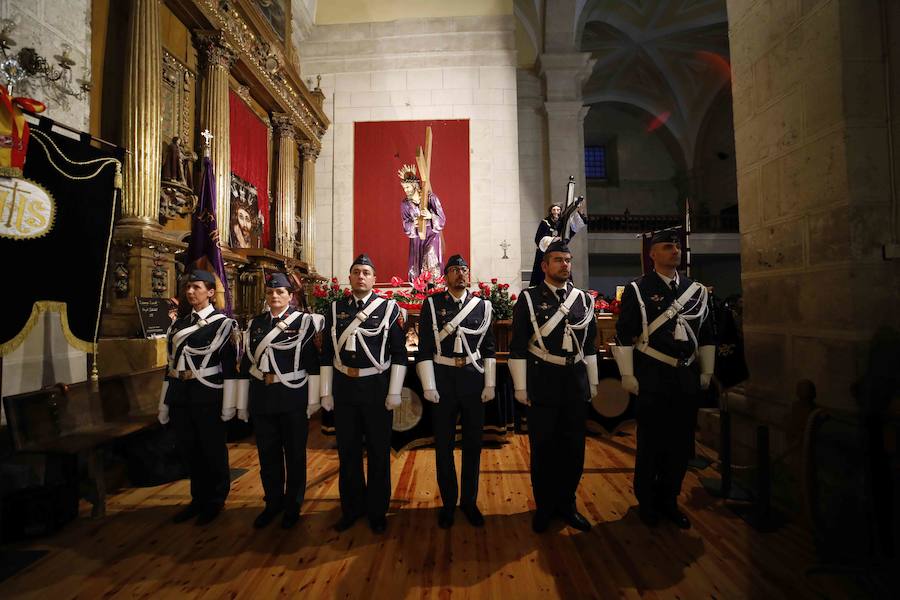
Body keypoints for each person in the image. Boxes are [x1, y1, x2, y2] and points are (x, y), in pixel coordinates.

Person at [613, 229, 715, 529]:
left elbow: (707, 333)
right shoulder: (638, 288)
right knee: (651, 442)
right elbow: (624, 333)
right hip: (653, 374)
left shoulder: (695, 291)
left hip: (685, 374)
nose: (675, 252)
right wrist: (628, 373)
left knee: (681, 444)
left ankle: (670, 499)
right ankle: (647, 501)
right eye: (668, 247)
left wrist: (707, 370)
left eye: (677, 247)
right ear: (653, 254)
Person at [509, 240, 599, 533]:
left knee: (574, 449)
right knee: (544, 449)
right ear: (545, 266)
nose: (565, 265)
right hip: (543, 381)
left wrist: (593, 383)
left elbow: (590, 347)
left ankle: (567, 504)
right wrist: (521, 388)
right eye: (558, 260)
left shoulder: (584, 300)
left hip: (574, 383)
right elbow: (518, 346)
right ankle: (545, 507)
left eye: (568, 260)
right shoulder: (529, 298)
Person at [319, 254, 407, 534]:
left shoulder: (389, 309)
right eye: (356, 271)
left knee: (379, 453)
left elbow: (399, 354)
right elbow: (326, 355)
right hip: (344, 389)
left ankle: (377, 510)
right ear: (350, 277)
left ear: (373, 278)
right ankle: (351, 509)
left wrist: (394, 392)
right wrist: (325, 392)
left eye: (366, 272)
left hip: (376, 389)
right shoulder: (333, 310)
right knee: (348, 453)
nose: (361, 276)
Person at [231, 272, 323, 530]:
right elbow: (248, 363)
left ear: (290, 296)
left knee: (294, 455)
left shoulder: (304, 323)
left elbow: (312, 364)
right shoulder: (256, 324)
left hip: (293, 395)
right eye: (271, 292)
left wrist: (313, 400)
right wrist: (241, 402)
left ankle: (293, 506)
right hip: (263, 396)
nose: (275, 296)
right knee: (267, 455)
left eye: (280, 292)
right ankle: (272, 503)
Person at [416, 254, 496, 529]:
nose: (461, 274)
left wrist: (490, 383)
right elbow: (425, 349)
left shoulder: (483, 306)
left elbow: (488, 350)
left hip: (473, 380)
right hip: (444, 380)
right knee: (444, 446)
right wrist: (428, 385)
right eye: (454, 270)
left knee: (473, 445)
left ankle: (469, 502)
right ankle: (449, 503)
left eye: (464, 269)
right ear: (446, 276)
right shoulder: (432, 304)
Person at [158, 269, 238, 526]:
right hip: (182, 393)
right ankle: (197, 498)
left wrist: (230, 403)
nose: (190, 291)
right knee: (189, 448)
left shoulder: (222, 324)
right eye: (188, 287)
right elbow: (170, 364)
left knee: (211, 448)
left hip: (208, 392)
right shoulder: (179, 324)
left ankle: (215, 499)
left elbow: (228, 367)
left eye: (196, 287)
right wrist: (165, 401)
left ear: (211, 292)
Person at [399, 164, 446, 282]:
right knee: (418, 264)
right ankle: (419, 288)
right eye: (404, 188)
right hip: (417, 239)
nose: (406, 191)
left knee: (430, 257)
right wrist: (412, 224)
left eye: (408, 187)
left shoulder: (430, 198)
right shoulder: (405, 204)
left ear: (415, 186)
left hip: (432, 235)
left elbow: (442, 219)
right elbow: (405, 224)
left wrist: (431, 216)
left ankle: (434, 285)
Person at [528, 203, 585, 287]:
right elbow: (539, 238)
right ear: (550, 211)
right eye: (554, 210)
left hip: (560, 249)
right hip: (546, 251)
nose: (556, 212)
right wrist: (552, 240)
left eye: (558, 210)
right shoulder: (545, 222)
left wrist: (580, 213)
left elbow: (571, 228)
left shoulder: (562, 222)